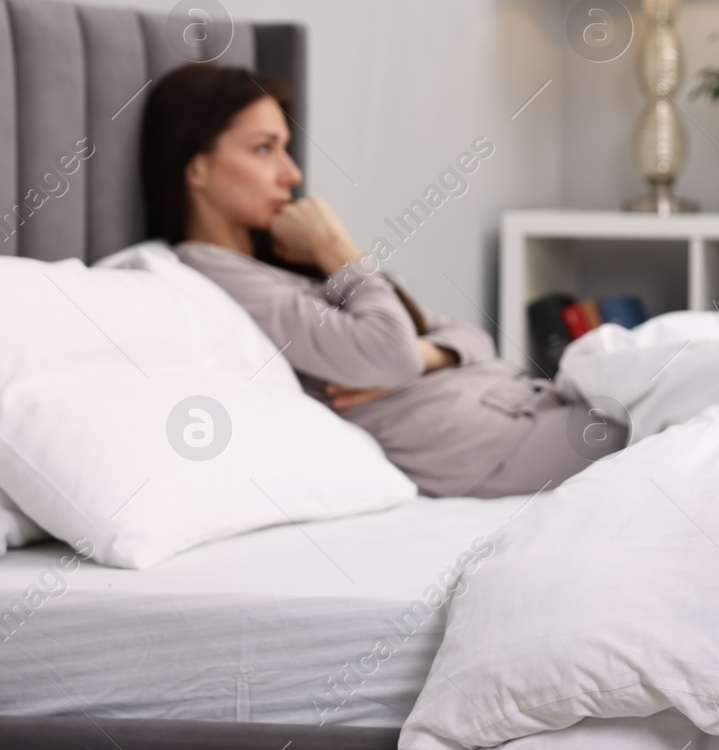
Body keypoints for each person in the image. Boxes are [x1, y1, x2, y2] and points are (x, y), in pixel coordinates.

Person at [139, 63, 627, 497]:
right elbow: (389, 351)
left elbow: (471, 337)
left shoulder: (283, 263)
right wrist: (336, 248)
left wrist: (426, 356)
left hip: (520, 405)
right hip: (482, 443)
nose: (291, 174)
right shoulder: (215, 278)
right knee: (677, 427)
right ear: (196, 168)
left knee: (683, 391)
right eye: (264, 149)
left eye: (286, 149)